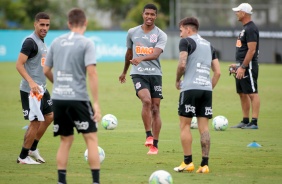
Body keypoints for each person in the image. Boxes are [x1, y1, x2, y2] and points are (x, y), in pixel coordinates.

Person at [43, 8, 101, 184]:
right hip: (79, 98)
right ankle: (96, 182)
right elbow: (91, 73)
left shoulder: (56, 42)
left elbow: (45, 70)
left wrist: (59, 85)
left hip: (59, 99)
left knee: (65, 141)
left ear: (68, 24)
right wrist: (96, 103)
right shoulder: (87, 43)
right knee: (91, 138)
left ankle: (61, 181)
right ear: (86, 23)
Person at [173, 17, 221, 173]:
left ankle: (188, 162)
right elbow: (218, 72)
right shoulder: (209, 45)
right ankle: (204, 165)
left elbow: (182, 64)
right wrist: (208, 87)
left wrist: (177, 79)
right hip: (206, 89)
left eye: (181, 31)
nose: (180, 35)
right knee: (204, 128)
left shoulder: (186, 42)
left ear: (188, 29)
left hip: (190, 89)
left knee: (184, 125)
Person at [119, 3, 167, 155]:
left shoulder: (160, 34)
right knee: (146, 101)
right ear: (143, 14)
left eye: (152, 15)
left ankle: (155, 145)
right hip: (138, 73)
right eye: (147, 14)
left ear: (156, 16)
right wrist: (124, 72)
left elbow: (156, 54)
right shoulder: (132, 32)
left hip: (155, 74)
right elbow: (128, 54)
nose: (149, 17)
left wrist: (141, 58)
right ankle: (148, 135)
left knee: (155, 108)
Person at [16, 12, 53, 164]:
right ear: (35, 24)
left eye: (47, 25)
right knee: (35, 122)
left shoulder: (42, 43)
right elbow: (19, 65)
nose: (45, 28)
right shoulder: (30, 42)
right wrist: (31, 82)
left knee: (50, 116)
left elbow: (44, 67)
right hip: (31, 91)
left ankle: (33, 148)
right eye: (42, 24)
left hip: (41, 89)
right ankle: (23, 157)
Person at [230, 3, 260, 129]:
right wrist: (237, 65)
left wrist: (243, 66)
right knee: (242, 93)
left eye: (238, 11)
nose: (236, 13)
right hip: (241, 65)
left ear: (244, 13)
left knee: (252, 93)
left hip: (249, 66)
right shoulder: (245, 28)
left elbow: (251, 50)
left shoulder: (251, 28)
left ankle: (254, 122)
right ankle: (245, 120)